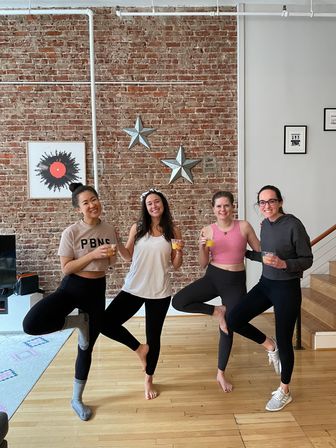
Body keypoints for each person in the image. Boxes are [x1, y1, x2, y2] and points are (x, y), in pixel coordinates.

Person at [23, 182, 118, 421]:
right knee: (31, 324)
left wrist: (110, 257)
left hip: (97, 290)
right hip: (73, 287)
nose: (92, 204)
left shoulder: (108, 228)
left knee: (86, 347)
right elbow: (66, 268)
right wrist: (93, 255)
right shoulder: (72, 232)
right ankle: (77, 322)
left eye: (94, 199)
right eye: (86, 202)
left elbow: (110, 264)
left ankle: (77, 399)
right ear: (78, 208)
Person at [227, 185, 313, 411]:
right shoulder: (265, 225)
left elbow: (307, 259)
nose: (266, 206)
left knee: (286, 340)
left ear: (280, 201)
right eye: (262, 203)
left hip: (287, 288)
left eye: (271, 201)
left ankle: (285, 391)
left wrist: (285, 264)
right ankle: (269, 345)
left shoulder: (293, 224)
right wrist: (240, 252)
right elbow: (266, 257)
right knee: (234, 319)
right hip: (266, 284)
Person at [172, 191, 260, 392]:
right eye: (219, 206)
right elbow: (203, 264)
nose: (223, 209)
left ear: (232, 207)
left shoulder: (244, 226)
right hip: (213, 277)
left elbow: (258, 251)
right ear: (213, 209)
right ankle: (216, 311)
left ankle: (221, 373)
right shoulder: (207, 231)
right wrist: (202, 248)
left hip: (235, 281)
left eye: (226, 205)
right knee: (178, 301)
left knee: (229, 326)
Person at [100, 188, 183, 400]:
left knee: (154, 337)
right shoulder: (137, 228)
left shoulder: (172, 230)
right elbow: (127, 256)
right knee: (105, 323)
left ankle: (148, 378)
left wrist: (180, 250)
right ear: (145, 208)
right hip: (134, 287)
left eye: (157, 202)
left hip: (160, 291)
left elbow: (175, 265)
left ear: (163, 204)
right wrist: (117, 242)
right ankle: (138, 348)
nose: (154, 206)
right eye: (149, 204)